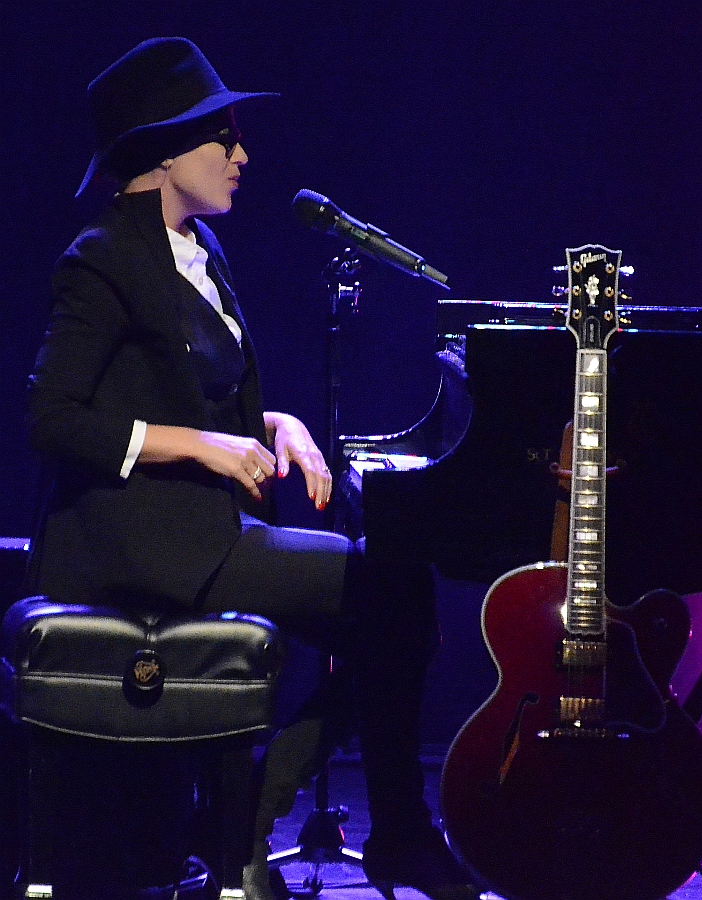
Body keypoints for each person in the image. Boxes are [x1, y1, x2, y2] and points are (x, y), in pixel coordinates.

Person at [25, 37, 478, 900]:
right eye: (221, 138)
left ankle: (260, 819)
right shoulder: (100, 257)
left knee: (393, 609)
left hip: (202, 534)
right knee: (390, 596)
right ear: (163, 152)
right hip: (138, 545)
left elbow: (195, 391)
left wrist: (281, 423)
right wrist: (201, 446)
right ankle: (329, 829)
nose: (242, 155)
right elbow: (53, 419)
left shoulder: (196, 250)